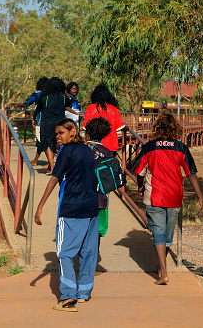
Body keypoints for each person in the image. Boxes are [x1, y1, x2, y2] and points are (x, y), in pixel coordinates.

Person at [131, 113, 203, 285]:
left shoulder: (150, 147)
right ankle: (162, 267)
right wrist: (200, 198)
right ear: (175, 129)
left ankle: (163, 272)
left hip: (154, 195)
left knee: (158, 233)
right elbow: (191, 174)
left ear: (157, 128)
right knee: (167, 235)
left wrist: (140, 185)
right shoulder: (181, 148)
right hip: (174, 196)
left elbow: (139, 171)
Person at [34, 118, 99, 312]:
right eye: (56, 134)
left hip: (71, 208)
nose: (57, 137)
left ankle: (69, 296)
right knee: (89, 252)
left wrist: (40, 205)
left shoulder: (66, 151)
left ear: (72, 131)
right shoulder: (88, 150)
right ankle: (84, 293)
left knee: (64, 253)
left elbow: (55, 178)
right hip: (91, 207)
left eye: (61, 133)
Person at [34, 77, 81, 173]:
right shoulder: (63, 97)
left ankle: (51, 166)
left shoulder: (44, 97)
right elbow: (68, 105)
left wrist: (33, 118)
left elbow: (37, 110)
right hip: (59, 124)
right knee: (57, 144)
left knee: (47, 144)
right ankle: (54, 166)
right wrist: (75, 113)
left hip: (46, 124)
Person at [84, 117, 113, 255]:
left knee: (82, 229)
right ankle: (93, 262)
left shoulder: (82, 148)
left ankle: (83, 259)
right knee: (97, 232)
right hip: (101, 197)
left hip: (82, 196)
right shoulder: (107, 152)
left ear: (87, 133)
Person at [14, 77, 49, 166]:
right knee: (41, 141)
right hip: (53, 120)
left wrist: (17, 105)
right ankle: (36, 160)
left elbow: (26, 103)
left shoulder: (37, 94)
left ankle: (50, 164)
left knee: (42, 140)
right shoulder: (53, 94)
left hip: (41, 121)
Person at [82, 84, 126, 156]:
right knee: (109, 165)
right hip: (111, 145)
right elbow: (120, 126)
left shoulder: (90, 108)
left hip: (94, 145)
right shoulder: (113, 108)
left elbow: (85, 127)